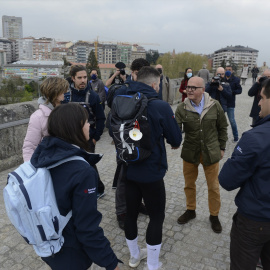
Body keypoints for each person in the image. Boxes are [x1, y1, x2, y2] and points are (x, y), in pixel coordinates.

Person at [30, 103, 121, 270]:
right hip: (71, 252)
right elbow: (87, 229)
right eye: (86, 122)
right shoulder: (82, 171)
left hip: (48, 245)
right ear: (77, 127)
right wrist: (111, 263)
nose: (89, 126)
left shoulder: (43, 154)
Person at [122, 66, 182, 269]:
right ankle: (153, 265)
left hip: (127, 168)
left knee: (130, 214)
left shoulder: (121, 98)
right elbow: (175, 138)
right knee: (156, 216)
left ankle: (134, 256)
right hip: (151, 171)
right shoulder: (160, 106)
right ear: (155, 84)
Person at [219, 78, 270, 270]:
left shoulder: (256, 137)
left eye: (262, 97)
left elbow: (226, 180)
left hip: (256, 219)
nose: (258, 102)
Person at [175, 76, 228, 233]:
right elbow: (175, 129)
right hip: (190, 152)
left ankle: (214, 215)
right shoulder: (181, 108)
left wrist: (222, 147)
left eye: (193, 87)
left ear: (202, 90)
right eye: (188, 87)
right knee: (189, 184)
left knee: (213, 186)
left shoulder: (215, 105)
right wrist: (173, 139)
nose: (189, 90)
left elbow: (223, 127)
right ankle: (191, 210)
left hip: (211, 152)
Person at [111, 58, 150, 230]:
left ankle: (138, 203)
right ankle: (122, 212)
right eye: (138, 74)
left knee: (141, 175)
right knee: (124, 177)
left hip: (143, 139)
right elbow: (112, 116)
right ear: (133, 73)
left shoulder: (149, 90)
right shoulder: (122, 90)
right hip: (125, 139)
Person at [68, 65, 106, 199]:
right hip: (70, 138)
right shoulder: (67, 95)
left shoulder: (93, 96)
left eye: (85, 77)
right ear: (73, 78)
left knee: (89, 165)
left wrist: (95, 137)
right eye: (79, 78)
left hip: (88, 139)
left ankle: (99, 188)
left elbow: (101, 118)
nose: (83, 80)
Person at [22, 77, 68, 161]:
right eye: (63, 91)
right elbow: (29, 146)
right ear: (54, 93)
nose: (66, 94)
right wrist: (31, 170)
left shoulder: (67, 112)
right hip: (46, 164)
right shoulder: (38, 117)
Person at [224, 65, 242, 142]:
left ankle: (236, 136)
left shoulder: (236, 79)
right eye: (227, 69)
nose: (228, 71)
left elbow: (239, 90)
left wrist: (232, 92)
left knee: (232, 121)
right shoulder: (222, 78)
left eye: (229, 70)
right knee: (219, 121)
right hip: (222, 102)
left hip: (230, 103)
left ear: (232, 71)